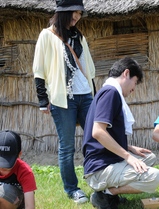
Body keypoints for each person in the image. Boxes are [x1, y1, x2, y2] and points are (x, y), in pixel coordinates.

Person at [32, 0, 95, 204]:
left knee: (94, 141)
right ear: (63, 13)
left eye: (79, 13)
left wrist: (94, 94)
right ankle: (72, 189)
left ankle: (98, 182)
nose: (77, 16)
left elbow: (88, 68)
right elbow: (39, 70)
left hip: (85, 95)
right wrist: (43, 100)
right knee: (67, 146)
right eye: (74, 12)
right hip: (63, 98)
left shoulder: (79, 35)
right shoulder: (47, 35)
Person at [83, 57, 159, 209]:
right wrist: (127, 156)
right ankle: (106, 193)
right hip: (99, 168)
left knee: (148, 157)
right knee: (155, 177)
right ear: (126, 73)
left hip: (107, 161)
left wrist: (130, 148)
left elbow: (107, 134)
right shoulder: (110, 93)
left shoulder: (110, 92)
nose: (134, 88)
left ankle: (107, 193)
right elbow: (98, 132)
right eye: (135, 82)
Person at [0, 130, 36, 209]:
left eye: (7, 162)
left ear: (19, 155)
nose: (2, 168)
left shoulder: (25, 171)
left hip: (14, 202)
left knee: (2, 193)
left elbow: (30, 206)